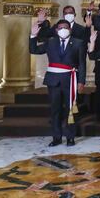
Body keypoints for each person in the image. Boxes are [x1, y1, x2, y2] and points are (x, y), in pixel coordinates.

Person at [29, 19, 86, 147]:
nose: (63, 30)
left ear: (70, 29)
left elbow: (82, 64)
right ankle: (56, 137)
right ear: (56, 30)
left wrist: (81, 81)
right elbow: (34, 50)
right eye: (60, 28)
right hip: (53, 81)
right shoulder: (50, 42)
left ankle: (70, 137)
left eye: (65, 27)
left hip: (70, 80)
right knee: (55, 110)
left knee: (70, 110)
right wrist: (33, 36)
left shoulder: (78, 43)